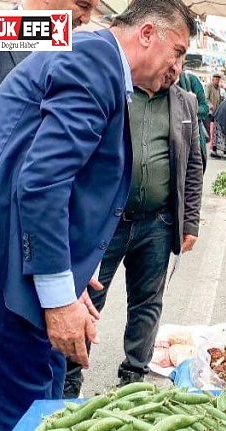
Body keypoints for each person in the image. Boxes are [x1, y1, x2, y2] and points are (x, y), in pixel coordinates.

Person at [0, 0, 196, 429]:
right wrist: (55, 290)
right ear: (147, 33)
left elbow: (56, 162)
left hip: (16, 246)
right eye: (81, 4)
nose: (89, 11)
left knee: (44, 400)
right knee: (7, 394)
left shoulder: (78, 43)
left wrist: (65, 269)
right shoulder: (35, 39)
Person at [0, 0, 98, 429]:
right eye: (84, 3)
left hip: (32, 237)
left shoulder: (66, 45)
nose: (89, 14)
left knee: (25, 346)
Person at [64, 62, 203, 398]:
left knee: (147, 304)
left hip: (157, 222)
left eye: (181, 57)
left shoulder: (185, 102)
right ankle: (68, 381)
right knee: (84, 301)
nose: (175, 66)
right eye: (173, 54)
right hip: (105, 225)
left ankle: (133, 377)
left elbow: (194, 162)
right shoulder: (115, 91)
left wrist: (190, 220)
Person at [178, 70, 210, 173]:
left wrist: (190, 105)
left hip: (190, 144)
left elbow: (204, 109)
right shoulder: (156, 81)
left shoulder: (191, 80)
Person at [204, 73, 223, 156]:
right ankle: (212, 149)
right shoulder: (209, 86)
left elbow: (219, 99)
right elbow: (206, 98)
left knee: (215, 130)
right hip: (210, 112)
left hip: (216, 112)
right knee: (211, 131)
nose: (217, 81)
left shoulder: (218, 88)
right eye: (216, 79)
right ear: (213, 79)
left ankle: (214, 149)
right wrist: (210, 105)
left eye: (218, 79)